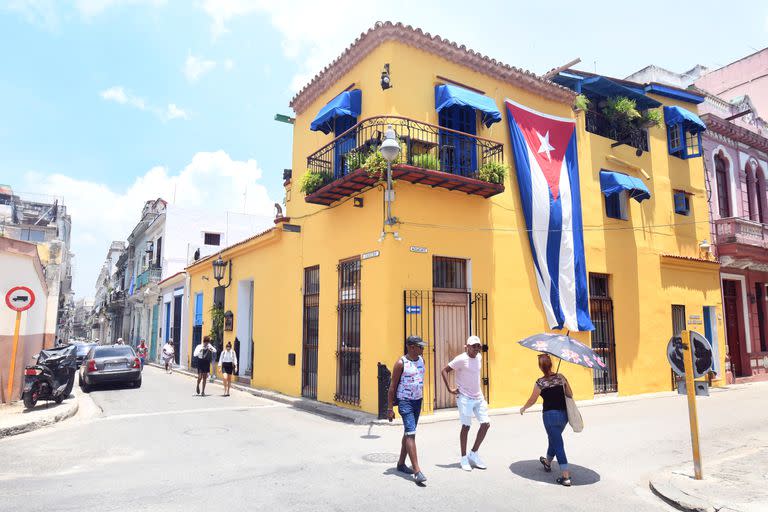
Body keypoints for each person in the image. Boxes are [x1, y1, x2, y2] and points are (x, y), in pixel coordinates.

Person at [519, 354, 574, 487]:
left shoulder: (540, 382)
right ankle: (548, 463)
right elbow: (570, 394)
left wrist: (524, 408)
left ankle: (565, 477)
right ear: (551, 364)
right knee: (554, 439)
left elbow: (532, 399)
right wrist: (562, 382)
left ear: (540, 367)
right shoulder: (561, 377)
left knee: (558, 443)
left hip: (550, 416)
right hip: (563, 416)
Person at [440, 335, 490, 471]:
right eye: (473, 346)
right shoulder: (461, 359)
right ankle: (463, 457)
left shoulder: (479, 357)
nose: (476, 349)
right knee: (466, 426)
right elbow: (444, 370)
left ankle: (473, 453)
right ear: (467, 347)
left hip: (478, 397)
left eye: (478, 346)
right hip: (465, 398)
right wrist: (450, 389)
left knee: (485, 424)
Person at [386, 336, 428, 485]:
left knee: (408, 432)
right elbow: (392, 388)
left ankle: (401, 464)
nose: (423, 349)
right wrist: (390, 408)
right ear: (411, 347)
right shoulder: (400, 363)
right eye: (420, 346)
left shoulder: (422, 360)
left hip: (418, 401)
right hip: (405, 402)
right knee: (411, 433)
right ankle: (417, 471)